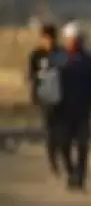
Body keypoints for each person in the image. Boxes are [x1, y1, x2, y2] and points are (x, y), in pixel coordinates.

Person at [54, 22, 91, 191]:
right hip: (63, 111)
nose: (74, 42)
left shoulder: (87, 60)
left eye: (77, 39)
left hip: (83, 110)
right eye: (71, 39)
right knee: (64, 145)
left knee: (83, 146)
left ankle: (80, 177)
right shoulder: (58, 59)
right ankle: (71, 172)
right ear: (66, 40)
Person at [26, 23, 64, 177]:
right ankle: (53, 160)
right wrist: (34, 95)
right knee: (50, 130)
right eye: (46, 39)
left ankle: (61, 154)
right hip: (45, 97)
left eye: (51, 39)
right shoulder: (36, 55)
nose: (49, 42)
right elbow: (32, 77)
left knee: (61, 129)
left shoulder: (61, 54)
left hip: (61, 96)